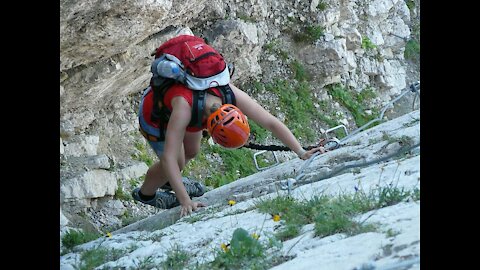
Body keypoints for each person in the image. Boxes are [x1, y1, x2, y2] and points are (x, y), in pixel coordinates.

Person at [132, 39, 325, 218]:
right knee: (177, 161)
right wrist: (185, 201)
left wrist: (301, 152)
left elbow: (270, 121)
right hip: (156, 117)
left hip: (189, 112)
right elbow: (168, 157)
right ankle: (146, 194)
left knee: (192, 150)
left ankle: (169, 180)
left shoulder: (229, 93)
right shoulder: (184, 108)